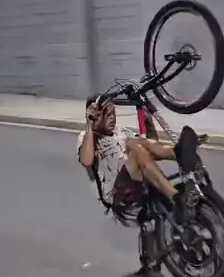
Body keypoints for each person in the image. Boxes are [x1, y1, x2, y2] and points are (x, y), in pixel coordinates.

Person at [77, 95, 188, 225]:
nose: (112, 118)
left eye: (113, 113)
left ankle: (180, 154)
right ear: (94, 116)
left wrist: (148, 122)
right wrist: (89, 124)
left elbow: (149, 153)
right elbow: (86, 161)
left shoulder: (122, 132)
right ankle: (174, 196)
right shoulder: (87, 137)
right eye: (106, 114)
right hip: (118, 197)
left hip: (136, 182)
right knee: (133, 145)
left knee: (135, 143)